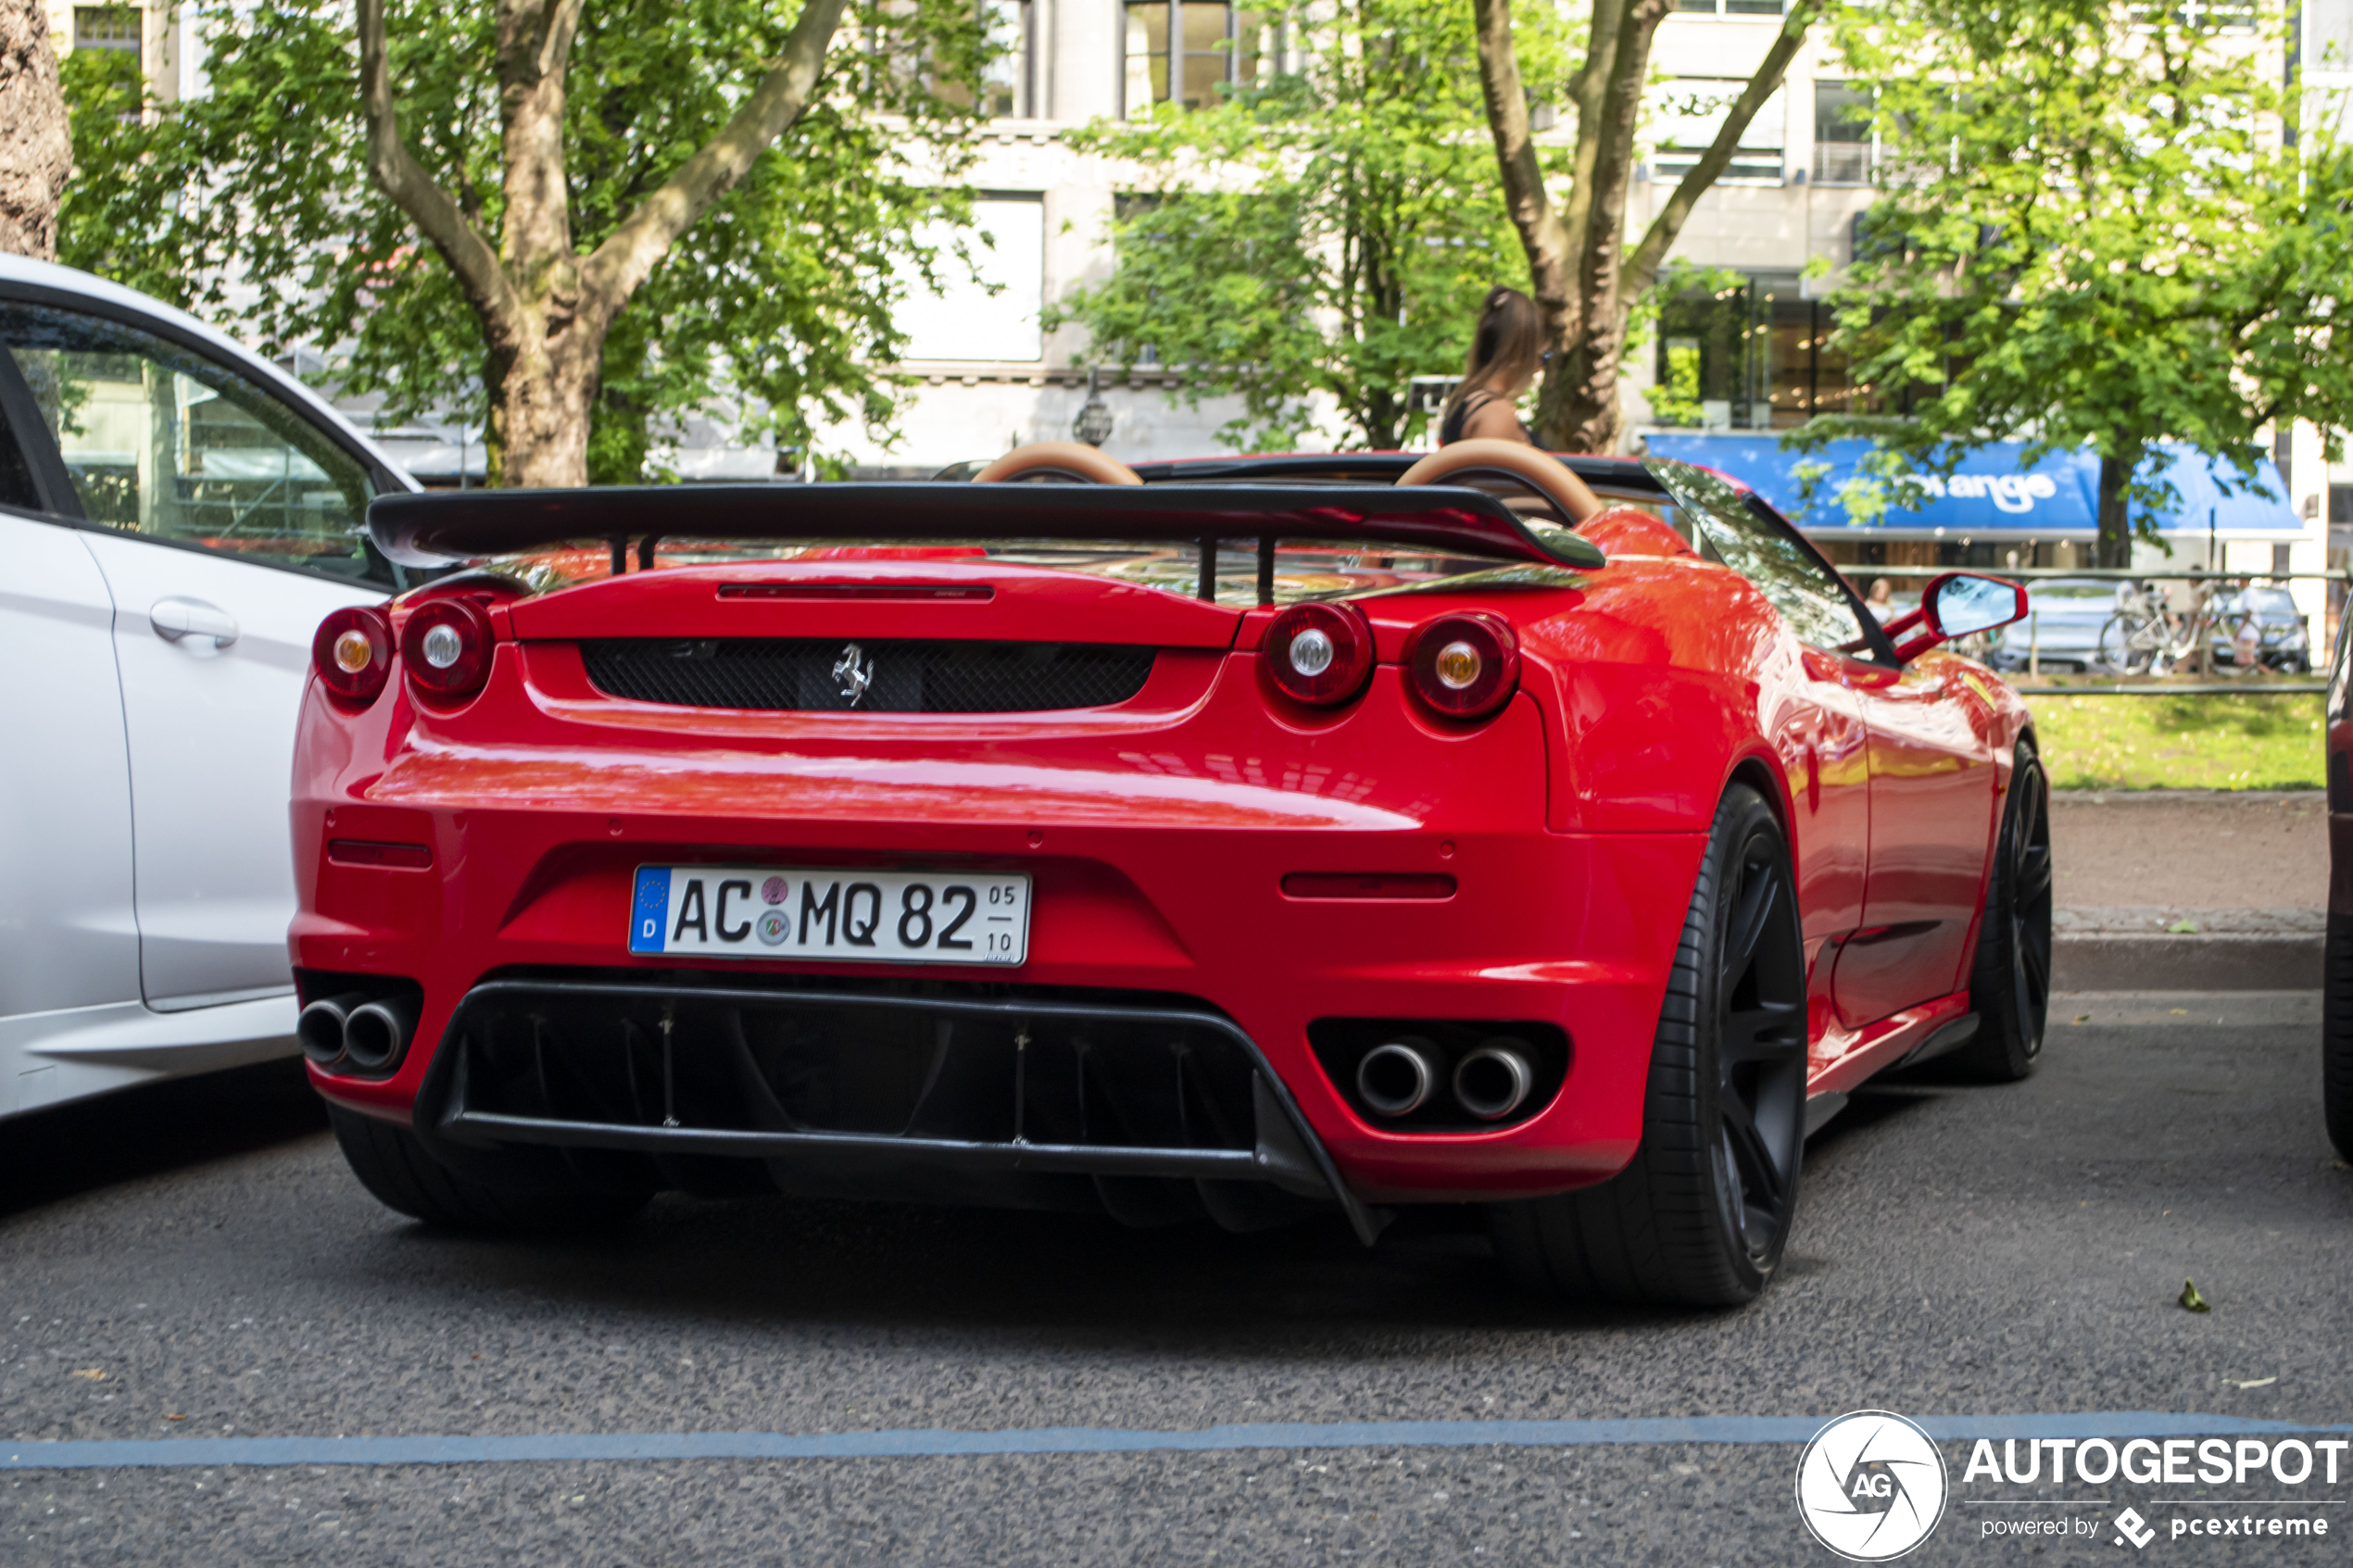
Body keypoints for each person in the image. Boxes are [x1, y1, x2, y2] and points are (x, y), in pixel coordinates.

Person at [1438, 286, 1545, 446]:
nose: (1538, 368)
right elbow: (1489, 471)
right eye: (1539, 357)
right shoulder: (1495, 413)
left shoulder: (1464, 399)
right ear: (1517, 355)